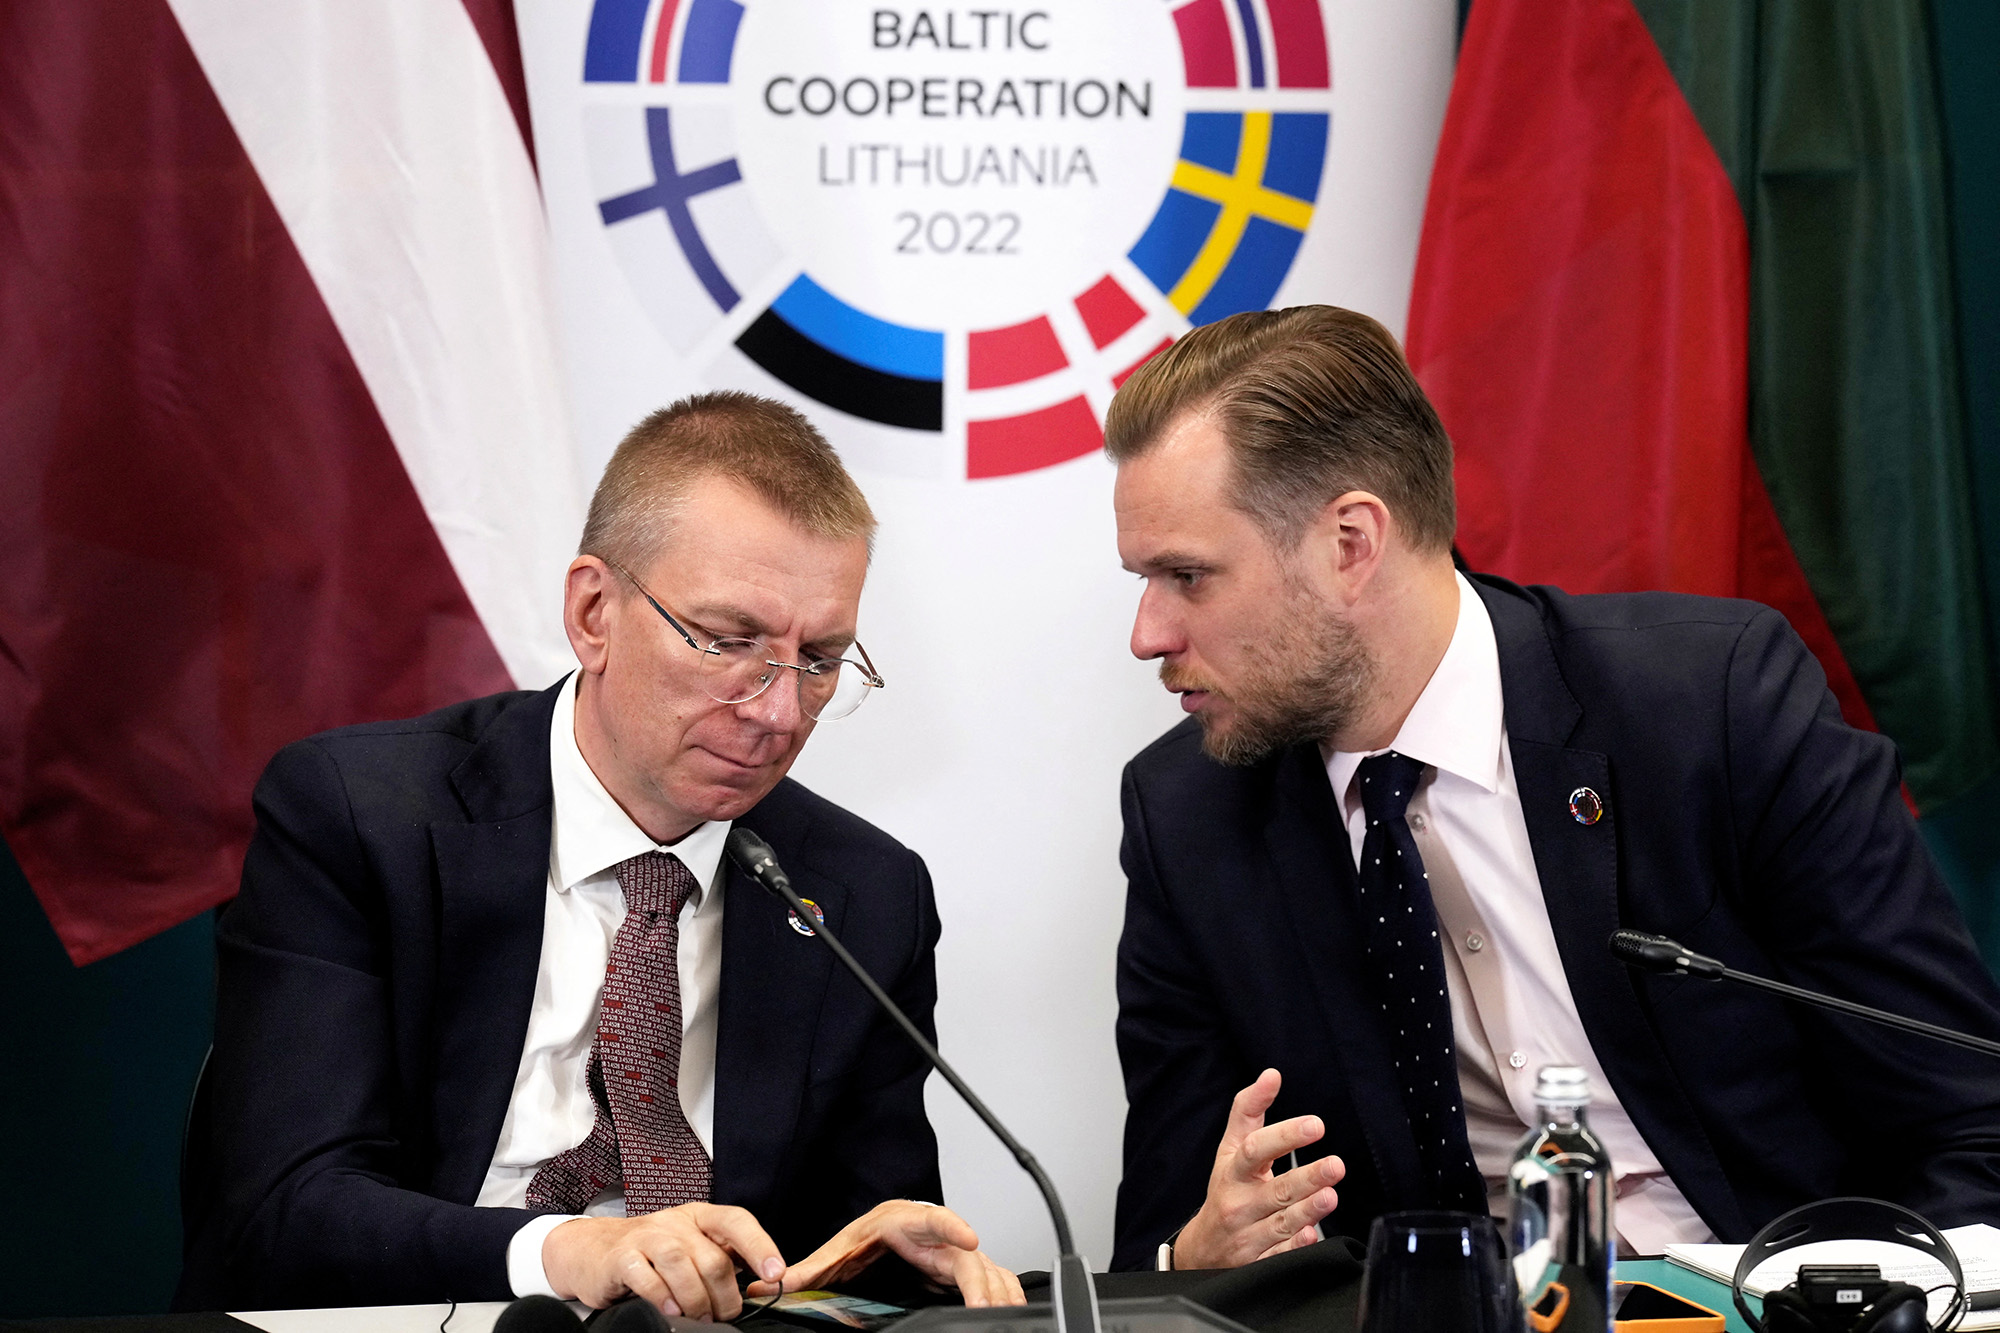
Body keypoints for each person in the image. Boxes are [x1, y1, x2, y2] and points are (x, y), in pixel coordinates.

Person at [1103, 305, 2000, 1272]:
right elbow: (1162, 1233)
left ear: (1352, 543)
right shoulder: (1187, 817)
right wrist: (1197, 1252)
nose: (1148, 633)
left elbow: (1968, 1121)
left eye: (1188, 575)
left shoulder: (1710, 709)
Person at [178, 392, 1024, 1314]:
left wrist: (874, 1257)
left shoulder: (862, 892)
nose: (779, 714)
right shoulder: (357, 817)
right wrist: (568, 1252)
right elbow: (282, 1212)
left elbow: (849, 1239)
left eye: (819, 659)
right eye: (730, 641)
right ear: (593, 613)